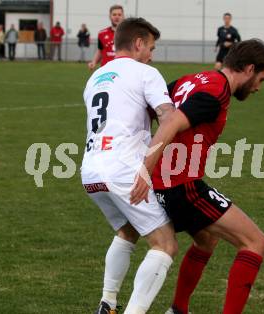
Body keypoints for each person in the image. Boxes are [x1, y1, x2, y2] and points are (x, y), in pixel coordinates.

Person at [131, 39, 264, 314]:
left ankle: (178, 309)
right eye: (261, 79)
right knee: (255, 242)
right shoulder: (215, 92)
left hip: (169, 182)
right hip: (181, 185)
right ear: (248, 69)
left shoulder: (194, 79)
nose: (258, 87)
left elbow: (152, 107)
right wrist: (145, 168)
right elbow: (172, 121)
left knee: (206, 239)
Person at [81, 17, 178, 314]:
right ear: (138, 43)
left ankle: (107, 303)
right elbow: (169, 118)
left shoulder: (95, 77)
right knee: (165, 243)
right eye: (150, 46)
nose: (152, 53)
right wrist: (148, 168)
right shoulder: (145, 72)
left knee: (128, 231)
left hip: (90, 169)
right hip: (122, 168)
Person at [88, 4, 124, 70]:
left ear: (123, 16)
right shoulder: (102, 33)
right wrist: (94, 62)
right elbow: (100, 50)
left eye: (119, 15)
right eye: (114, 14)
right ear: (110, 16)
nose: (117, 17)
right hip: (106, 70)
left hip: (122, 69)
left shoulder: (129, 34)